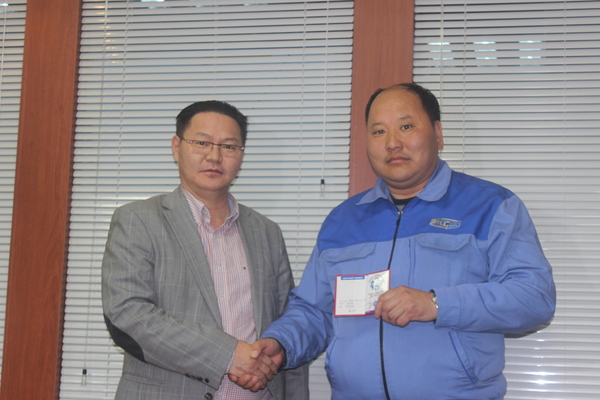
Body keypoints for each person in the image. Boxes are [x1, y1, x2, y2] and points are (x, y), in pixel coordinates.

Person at [238, 83, 556, 399]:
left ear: (438, 134)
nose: (392, 143)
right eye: (379, 132)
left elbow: (534, 298)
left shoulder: (491, 206)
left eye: (406, 127)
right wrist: (281, 344)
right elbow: (315, 312)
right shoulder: (342, 220)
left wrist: (437, 303)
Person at [101, 100, 308, 400]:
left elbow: (288, 324)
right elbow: (127, 313)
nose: (214, 156)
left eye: (229, 146)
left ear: (241, 155)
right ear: (176, 147)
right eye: (202, 143)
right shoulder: (138, 219)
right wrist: (227, 354)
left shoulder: (267, 232)